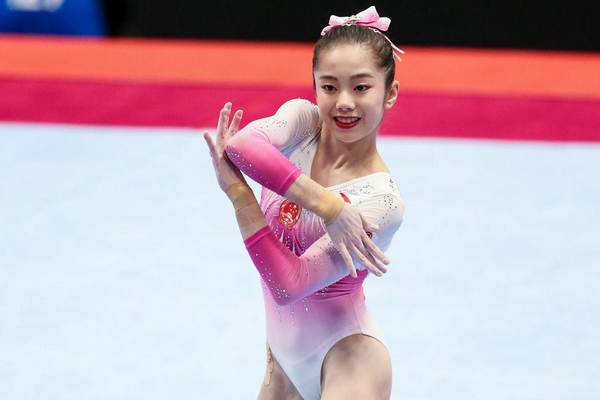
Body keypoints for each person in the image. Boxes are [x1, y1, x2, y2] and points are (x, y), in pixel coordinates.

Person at [203, 6, 404, 399]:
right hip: (283, 362)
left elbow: (289, 283)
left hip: (351, 363)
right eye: (329, 87)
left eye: (361, 88)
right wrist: (330, 207)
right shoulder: (302, 123)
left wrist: (240, 193)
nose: (343, 102)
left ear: (390, 93)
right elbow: (241, 146)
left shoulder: (382, 201)